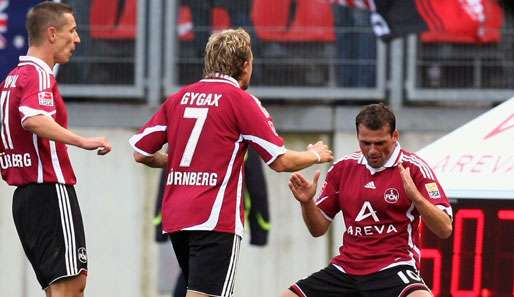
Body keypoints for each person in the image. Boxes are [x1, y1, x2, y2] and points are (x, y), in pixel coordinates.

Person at [129, 28, 333, 297]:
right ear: (245, 64)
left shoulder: (178, 98)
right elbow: (280, 161)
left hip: (176, 218)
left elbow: (141, 153)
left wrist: (175, 160)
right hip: (214, 219)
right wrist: (316, 154)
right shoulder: (241, 101)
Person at [283, 103, 453, 297]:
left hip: (393, 267)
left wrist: (417, 198)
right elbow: (317, 229)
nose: (372, 150)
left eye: (380, 143)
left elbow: (445, 228)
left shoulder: (414, 168)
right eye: (365, 143)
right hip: (346, 269)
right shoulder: (343, 168)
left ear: (395, 137)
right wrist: (307, 202)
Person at [0, 2, 112, 296]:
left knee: (59, 287)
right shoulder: (38, 76)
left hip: (26, 199)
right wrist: (83, 141)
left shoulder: (12, 78)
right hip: (49, 191)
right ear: (52, 33)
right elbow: (33, 118)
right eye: (72, 31)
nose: (77, 39)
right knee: (71, 284)